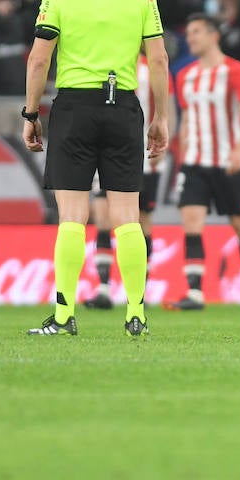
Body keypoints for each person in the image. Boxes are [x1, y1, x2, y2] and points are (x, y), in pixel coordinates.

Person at [22, 0, 171, 339]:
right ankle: (136, 312)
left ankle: (65, 316)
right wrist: (159, 118)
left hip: (74, 106)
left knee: (73, 215)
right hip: (123, 104)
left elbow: (38, 57)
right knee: (127, 215)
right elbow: (158, 58)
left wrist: (31, 114)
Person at [167, 13, 240, 311]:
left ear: (214, 36)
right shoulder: (185, 75)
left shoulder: (235, 71)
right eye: (189, 33)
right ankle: (195, 293)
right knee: (191, 222)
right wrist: (182, 158)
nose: (191, 38)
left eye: (197, 32)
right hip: (195, 162)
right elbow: (186, 121)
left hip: (228, 162)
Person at [86, 55, 163, 311]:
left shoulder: (152, 66)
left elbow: (166, 106)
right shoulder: (103, 61)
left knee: (142, 220)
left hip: (143, 152)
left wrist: (163, 138)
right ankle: (104, 289)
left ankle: (139, 290)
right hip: (106, 151)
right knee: (102, 216)